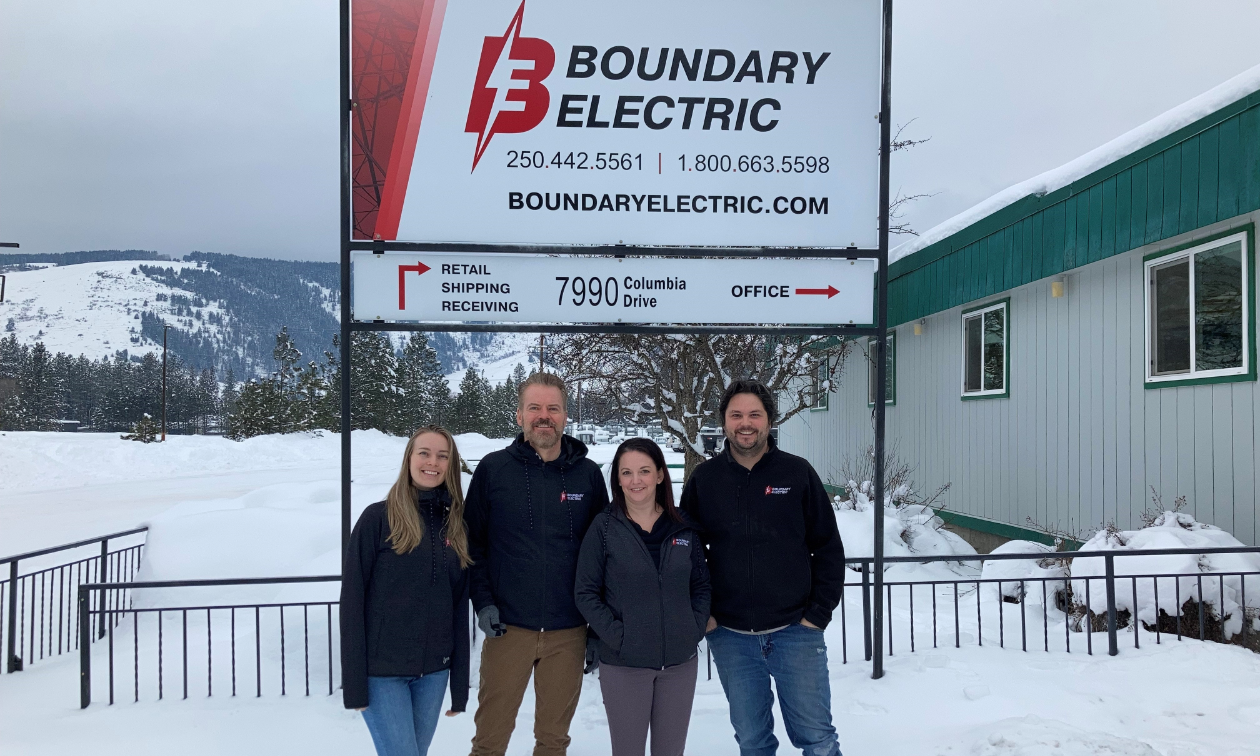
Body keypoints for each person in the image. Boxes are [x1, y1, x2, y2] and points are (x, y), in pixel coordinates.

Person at [681, 379, 847, 756]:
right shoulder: (705, 480)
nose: (745, 423)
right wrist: (705, 615)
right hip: (731, 637)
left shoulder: (797, 473)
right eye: (736, 414)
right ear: (724, 422)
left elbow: (828, 548)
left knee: (818, 740)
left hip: (796, 634)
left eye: (755, 414)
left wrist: (817, 615)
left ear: (769, 420)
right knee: (753, 742)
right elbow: (685, 551)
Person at [465, 372, 610, 756]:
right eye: (534, 408)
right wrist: (483, 602)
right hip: (507, 629)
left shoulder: (589, 475)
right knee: (489, 741)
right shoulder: (493, 470)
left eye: (552, 408)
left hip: (569, 632)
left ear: (565, 416)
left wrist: (597, 628)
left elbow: (604, 555)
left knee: (553, 741)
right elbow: (472, 544)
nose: (543, 416)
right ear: (519, 416)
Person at [340, 426, 472, 756]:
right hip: (383, 674)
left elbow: (458, 608)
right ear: (409, 459)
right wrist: (355, 685)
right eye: (424, 453)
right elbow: (353, 602)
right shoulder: (377, 519)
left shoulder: (457, 525)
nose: (433, 462)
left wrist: (459, 685)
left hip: (434, 673)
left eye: (443, 456)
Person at [575, 438, 710, 756]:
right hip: (625, 666)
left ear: (660, 475)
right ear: (617, 479)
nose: (635, 481)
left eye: (644, 471)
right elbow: (585, 591)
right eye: (627, 473)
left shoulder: (683, 527)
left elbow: (701, 586)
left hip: (679, 664)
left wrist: (692, 628)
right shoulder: (605, 528)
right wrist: (619, 637)